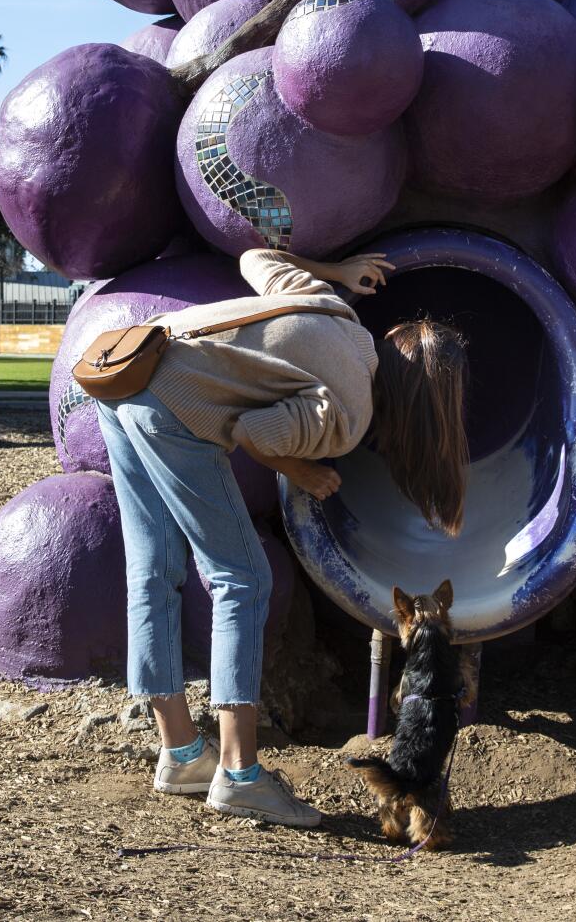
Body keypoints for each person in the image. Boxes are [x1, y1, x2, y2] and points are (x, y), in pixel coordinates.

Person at [95, 247, 470, 830]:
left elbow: (255, 257)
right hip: (170, 405)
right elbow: (253, 429)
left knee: (152, 568)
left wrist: (339, 273)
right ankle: (241, 775)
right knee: (242, 576)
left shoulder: (332, 309)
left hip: (123, 373)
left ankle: (182, 753)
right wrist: (301, 469)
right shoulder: (348, 410)